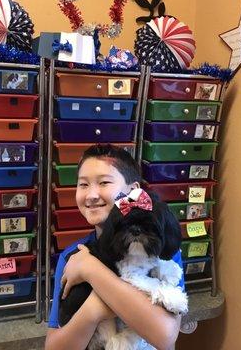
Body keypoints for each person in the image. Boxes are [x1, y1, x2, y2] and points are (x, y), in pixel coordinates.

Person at [45, 144, 185, 350]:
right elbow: (54, 347)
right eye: (83, 185)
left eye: (104, 182)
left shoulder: (158, 250)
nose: (92, 194)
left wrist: (91, 270)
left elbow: (165, 336)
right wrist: (95, 308)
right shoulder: (72, 256)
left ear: (134, 192)